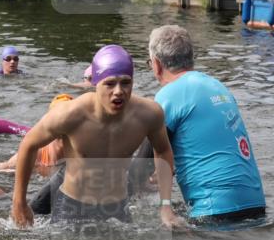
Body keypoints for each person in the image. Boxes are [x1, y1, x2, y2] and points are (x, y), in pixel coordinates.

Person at [11, 45, 184, 227]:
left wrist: (166, 206)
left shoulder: (149, 113)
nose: (118, 91)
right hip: (73, 206)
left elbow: (163, 150)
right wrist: (19, 201)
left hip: (117, 206)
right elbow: (28, 144)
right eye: (110, 83)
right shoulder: (71, 114)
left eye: (125, 82)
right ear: (95, 83)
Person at [148, 25, 265, 221]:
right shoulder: (219, 87)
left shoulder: (167, 95)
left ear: (157, 64)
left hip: (213, 212)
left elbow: (144, 162)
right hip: (256, 206)